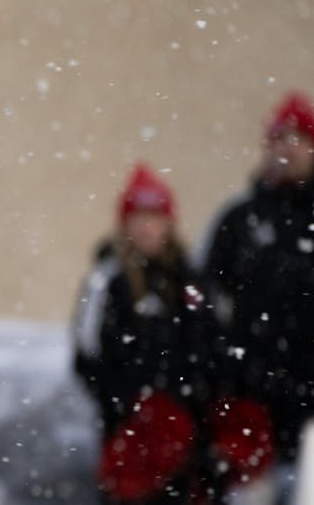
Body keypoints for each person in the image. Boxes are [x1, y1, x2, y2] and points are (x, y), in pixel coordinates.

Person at [72, 164, 234, 504]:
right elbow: (87, 357)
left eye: (154, 216)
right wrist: (131, 409)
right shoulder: (106, 282)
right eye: (138, 216)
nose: (146, 227)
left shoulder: (192, 282)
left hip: (190, 442)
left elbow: (214, 348)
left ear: (169, 223)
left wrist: (194, 407)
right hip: (128, 437)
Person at [196, 91, 314, 502]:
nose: (289, 149)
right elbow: (204, 303)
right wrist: (225, 377)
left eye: (300, 139)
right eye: (280, 139)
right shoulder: (239, 221)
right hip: (252, 403)